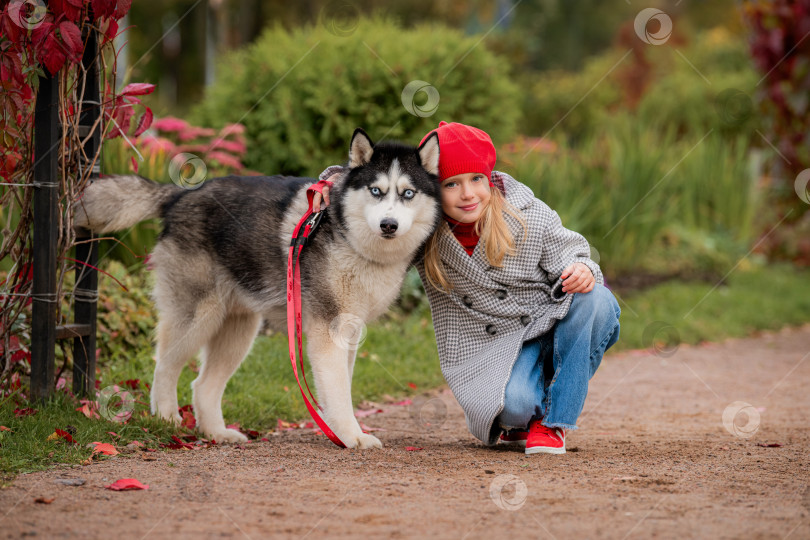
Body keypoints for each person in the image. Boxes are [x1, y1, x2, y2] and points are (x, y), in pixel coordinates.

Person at [313, 121, 620, 455]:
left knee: (595, 300)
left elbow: (572, 252)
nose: (468, 193)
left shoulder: (529, 215)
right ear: (430, 185)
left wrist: (582, 268)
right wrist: (332, 180)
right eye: (452, 184)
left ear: (490, 179)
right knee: (515, 406)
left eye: (477, 179)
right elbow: (370, 175)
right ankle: (523, 414)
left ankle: (552, 422)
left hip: (549, 324)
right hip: (492, 348)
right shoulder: (425, 226)